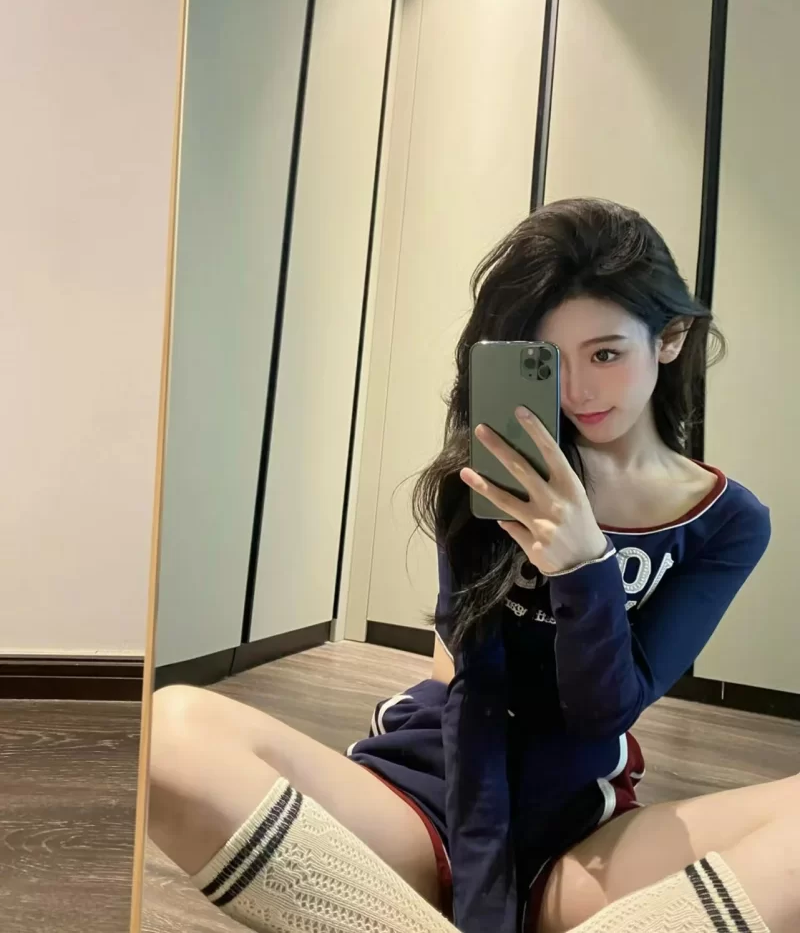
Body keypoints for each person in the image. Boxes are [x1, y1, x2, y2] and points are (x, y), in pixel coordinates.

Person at [149, 199, 791, 933]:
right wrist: (485, 903)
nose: (577, 392)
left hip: (578, 825)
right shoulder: (492, 477)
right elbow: (474, 690)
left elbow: (603, 712)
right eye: (549, 360)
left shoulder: (727, 522)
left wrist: (584, 564)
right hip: (430, 794)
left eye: (606, 354)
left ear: (669, 339)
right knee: (170, 733)